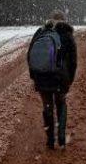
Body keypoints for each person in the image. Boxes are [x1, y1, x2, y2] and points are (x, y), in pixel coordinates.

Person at [27, 10, 77, 150]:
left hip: (42, 77)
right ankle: (61, 139)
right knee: (61, 104)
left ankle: (50, 140)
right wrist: (69, 80)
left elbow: (30, 55)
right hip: (60, 78)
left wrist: (34, 76)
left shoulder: (41, 32)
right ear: (64, 20)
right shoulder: (66, 33)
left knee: (47, 107)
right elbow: (73, 61)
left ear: (51, 19)